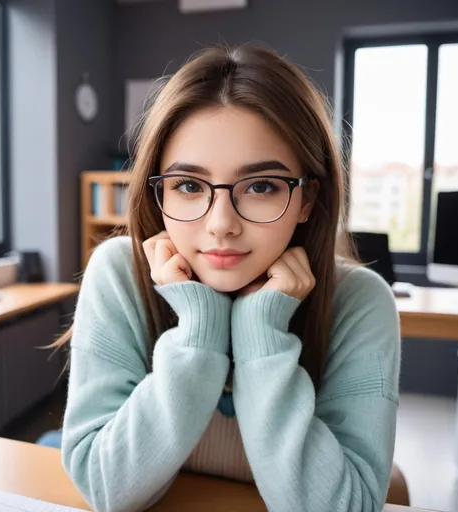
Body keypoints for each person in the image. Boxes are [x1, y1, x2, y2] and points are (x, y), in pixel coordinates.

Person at [59, 44, 401, 512]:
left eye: (261, 186)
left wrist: (262, 336)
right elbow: (105, 489)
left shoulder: (359, 301)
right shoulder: (120, 273)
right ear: (158, 193)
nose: (221, 224)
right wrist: (199, 332)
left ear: (306, 198)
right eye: (189, 185)